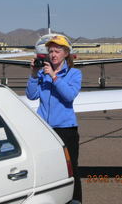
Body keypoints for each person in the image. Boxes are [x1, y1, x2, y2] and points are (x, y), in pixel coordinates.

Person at [26, 35, 82, 203]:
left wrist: (54, 77)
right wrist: (34, 75)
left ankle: (75, 200)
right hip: (44, 128)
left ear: (66, 53)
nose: (53, 54)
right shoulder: (43, 73)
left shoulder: (74, 74)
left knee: (71, 168)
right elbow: (31, 95)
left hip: (66, 129)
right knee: (46, 167)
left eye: (57, 51)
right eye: (50, 51)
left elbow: (69, 96)